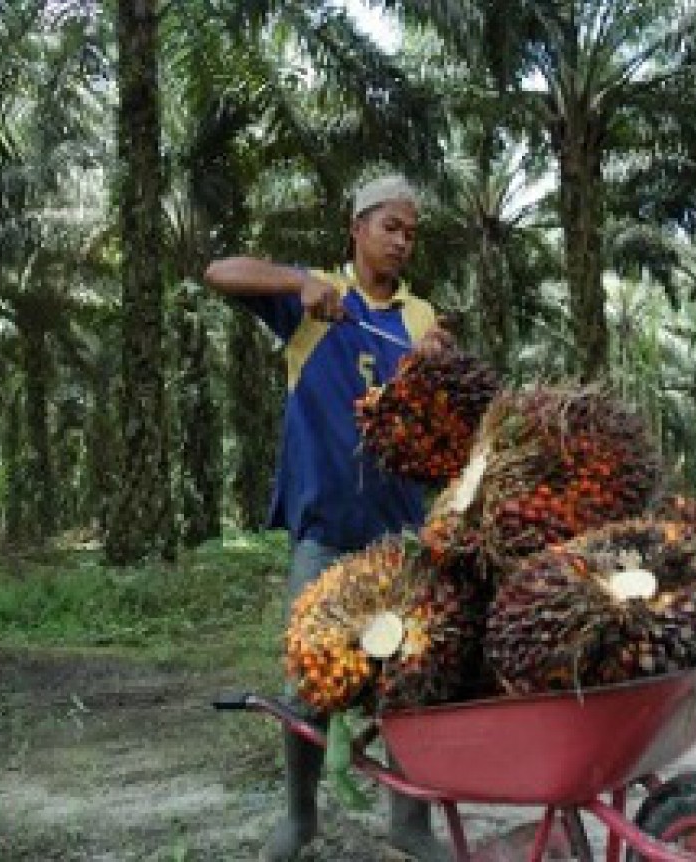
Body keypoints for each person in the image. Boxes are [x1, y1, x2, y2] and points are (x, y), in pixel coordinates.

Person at [203, 174, 451, 861]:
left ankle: (410, 825)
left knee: (411, 680)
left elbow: (448, 417)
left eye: (410, 232)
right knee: (307, 682)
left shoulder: (419, 318)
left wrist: (441, 365)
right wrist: (294, 283)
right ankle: (300, 817)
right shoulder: (314, 298)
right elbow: (218, 271)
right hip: (325, 532)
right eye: (389, 227)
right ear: (357, 227)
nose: (401, 241)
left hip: (400, 534)